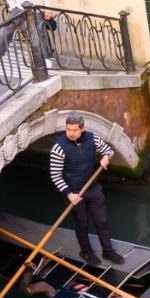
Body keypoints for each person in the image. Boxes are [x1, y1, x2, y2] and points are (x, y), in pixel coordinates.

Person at [49, 114, 126, 266]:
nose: (71, 133)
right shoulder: (58, 148)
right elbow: (55, 175)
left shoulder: (92, 138)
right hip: (74, 193)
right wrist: (69, 194)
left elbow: (108, 151)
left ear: (83, 129)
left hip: (93, 188)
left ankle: (108, 251)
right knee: (82, 224)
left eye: (75, 130)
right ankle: (86, 252)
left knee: (101, 221)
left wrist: (106, 157)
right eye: (68, 130)